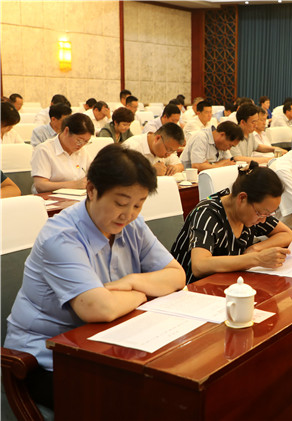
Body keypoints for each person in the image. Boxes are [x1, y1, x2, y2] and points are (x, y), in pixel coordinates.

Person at [5, 144, 185, 409]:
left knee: (173, 383)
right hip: (45, 359)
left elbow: (176, 275)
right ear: (91, 190)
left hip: (107, 343)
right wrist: (144, 292)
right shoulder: (61, 236)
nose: (129, 214)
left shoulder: (132, 225)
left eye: (138, 204)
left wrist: (131, 282)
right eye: (121, 203)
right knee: (138, 401)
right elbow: (98, 308)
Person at [171, 162, 292, 282]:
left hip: (228, 283)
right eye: (261, 213)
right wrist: (256, 259)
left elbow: (288, 234)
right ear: (242, 198)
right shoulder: (207, 213)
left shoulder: (251, 212)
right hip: (192, 288)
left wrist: (256, 248)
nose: (263, 220)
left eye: (268, 214)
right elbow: (199, 266)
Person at [31, 113, 94, 193]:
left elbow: (93, 174)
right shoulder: (44, 150)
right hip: (50, 198)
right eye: (79, 140)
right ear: (66, 131)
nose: (81, 145)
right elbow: (40, 185)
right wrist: (75, 185)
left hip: (77, 196)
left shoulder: (82, 151)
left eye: (86, 142)